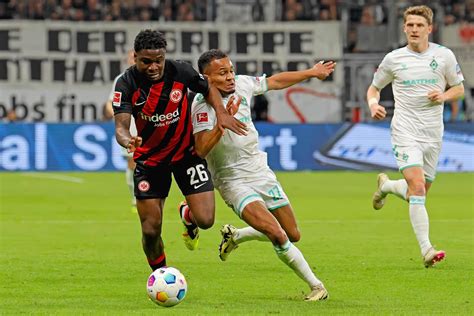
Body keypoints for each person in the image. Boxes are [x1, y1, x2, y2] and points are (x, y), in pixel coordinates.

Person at [191, 49, 335, 301]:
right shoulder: (201, 107)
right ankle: (316, 286)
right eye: (222, 73)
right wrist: (224, 122)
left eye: (231, 70)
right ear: (206, 78)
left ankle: (237, 235)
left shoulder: (243, 85)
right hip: (232, 180)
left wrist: (312, 72)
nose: (230, 77)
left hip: (260, 171)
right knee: (277, 234)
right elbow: (201, 149)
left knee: (293, 234)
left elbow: (275, 81)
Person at [112, 30, 247, 271]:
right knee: (151, 230)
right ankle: (160, 275)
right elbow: (121, 126)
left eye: (159, 60)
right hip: (151, 162)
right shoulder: (126, 83)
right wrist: (127, 140)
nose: (153, 67)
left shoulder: (181, 72)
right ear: (135, 58)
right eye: (146, 61)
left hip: (186, 156)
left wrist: (222, 114)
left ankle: (188, 215)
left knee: (206, 220)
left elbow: (208, 89)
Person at [367, 5, 464, 268]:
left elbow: (459, 88)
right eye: (410, 25)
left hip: (433, 134)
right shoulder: (394, 59)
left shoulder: (443, 56)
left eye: (419, 25)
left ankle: (386, 186)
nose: (413, 29)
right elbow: (374, 89)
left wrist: (443, 96)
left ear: (429, 29)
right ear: (404, 27)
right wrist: (373, 105)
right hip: (405, 130)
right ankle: (427, 250)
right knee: (418, 187)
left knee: (415, 194)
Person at [105, 50, 137, 211]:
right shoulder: (122, 79)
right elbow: (110, 103)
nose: (133, 59)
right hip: (129, 128)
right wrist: (116, 114)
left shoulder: (152, 77)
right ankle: (135, 199)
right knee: (132, 163)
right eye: (131, 57)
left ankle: (148, 196)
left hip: (150, 126)